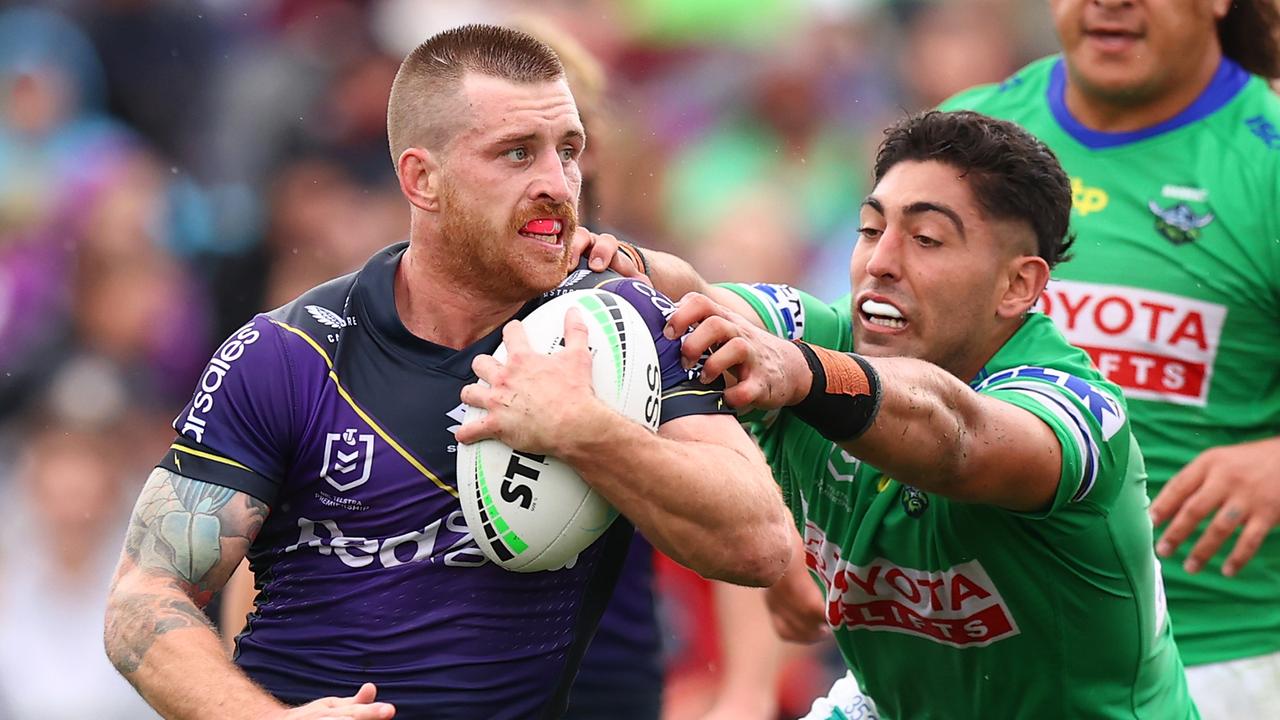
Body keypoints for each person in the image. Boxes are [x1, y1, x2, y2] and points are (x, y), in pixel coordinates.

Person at [101, 24, 791, 720]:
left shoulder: (622, 327)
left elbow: (761, 545)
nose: (557, 183)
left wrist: (587, 431)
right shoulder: (288, 353)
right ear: (420, 179)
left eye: (569, 152)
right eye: (517, 154)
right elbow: (143, 597)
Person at [603, 110, 1195, 718]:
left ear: (1018, 285)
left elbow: (956, 435)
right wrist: (614, 267)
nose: (879, 262)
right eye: (868, 229)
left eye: (927, 239)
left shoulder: (1074, 408)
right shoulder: (829, 334)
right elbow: (691, 299)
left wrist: (804, 374)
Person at [941, 1, 1280, 714]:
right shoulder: (965, 146)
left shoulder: (1266, 156)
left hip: (1220, 654)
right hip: (983, 646)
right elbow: (877, 344)